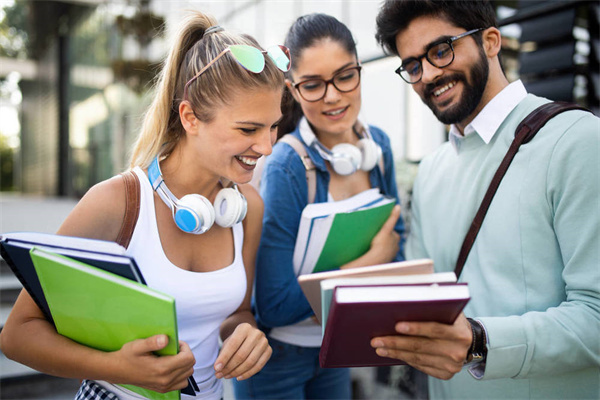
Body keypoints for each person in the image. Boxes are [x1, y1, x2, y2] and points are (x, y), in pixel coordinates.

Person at [0, 11, 290, 400]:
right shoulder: (116, 203)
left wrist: (245, 332)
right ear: (189, 117)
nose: (267, 146)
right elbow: (18, 335)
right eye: (248, 129)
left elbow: (236, 313)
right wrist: (117, 367)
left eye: (273, 126)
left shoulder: (246, 207)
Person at [371, 1, 600, 399]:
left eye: (441, 50)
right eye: (412, 65)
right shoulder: (431, 171)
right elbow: (428, 303)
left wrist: (480, 341)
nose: (428, 75)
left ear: (491, 41)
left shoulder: (577, 141)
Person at [233, 13, 406, 400]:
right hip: (277, 360)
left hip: (338, 347)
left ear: (360, 72)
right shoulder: (287, 166)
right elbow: (275, 306)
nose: (332, 95)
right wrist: (368, 264)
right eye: (312, 85)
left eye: (345, 76)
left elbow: (399, 248)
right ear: (293, 91)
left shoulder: (377, 149)